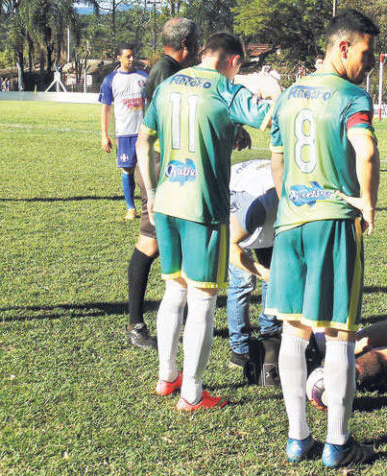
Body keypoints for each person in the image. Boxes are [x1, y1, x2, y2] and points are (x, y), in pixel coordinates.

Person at [266, 9, 381, 467]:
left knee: (294, 329)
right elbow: (366, 150)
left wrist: (290, 202)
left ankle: (298, 439)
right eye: (367, 54)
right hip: (333, 223)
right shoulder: (352, 95)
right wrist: (368, 201)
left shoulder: (289, 95)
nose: (370, 64)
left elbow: (276, 160)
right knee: (338, 333)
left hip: (290, 223)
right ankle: (337, 443)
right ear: (343, 46)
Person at [136, 32, 275, 411]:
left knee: (174, 291)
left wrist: (149, 193)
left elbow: (142, 141)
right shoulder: (226, 90)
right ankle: (193, 394)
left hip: (165, 200)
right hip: (203, 208)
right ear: (233, 61)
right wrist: (268, 91)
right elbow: (272, 120)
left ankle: (167, 377)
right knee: (202, 301)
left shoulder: (168, 85)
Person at [124, 18, 201, 350]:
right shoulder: (167, 72)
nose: (198, 50)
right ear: (186, 45)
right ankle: (136, 324)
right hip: (159, 163)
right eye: (196, 43)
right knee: (150, 243)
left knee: (171, 241)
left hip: (169, 163)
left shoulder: (165, 68)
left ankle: (176, 316)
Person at [227, 159, 281, 369]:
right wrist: (260, 271)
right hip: (239, 204)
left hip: (268, 220)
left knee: (275, 272)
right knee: (242, 283)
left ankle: (271, 332)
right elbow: (231, 248)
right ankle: (239, 350)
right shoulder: (258, 207)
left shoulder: (299, 200)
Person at [99, 43, 148, 221]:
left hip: (144, 132)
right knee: (127, 170)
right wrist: (104, 135)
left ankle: (148, 207)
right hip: (124, 134)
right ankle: (130, 208)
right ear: (119, 58)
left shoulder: (143, 76)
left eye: (133, 55)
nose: (132, 59)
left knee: (147, 172)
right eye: (128, 56)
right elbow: (105, 109)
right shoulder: (110, 80)